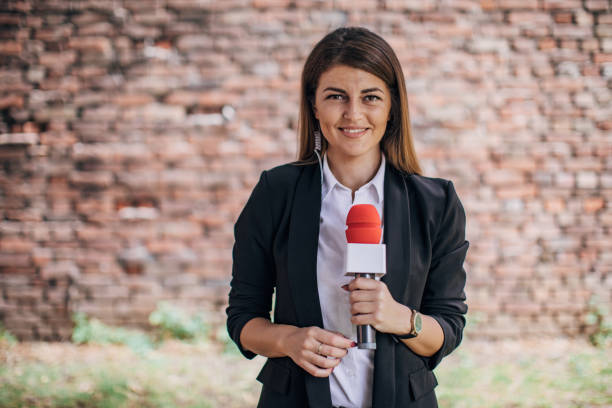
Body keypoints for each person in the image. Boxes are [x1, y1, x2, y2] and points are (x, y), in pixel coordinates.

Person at [226, 26, 469, 408]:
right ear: (314, 106)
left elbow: (449, 329)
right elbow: (243, 319)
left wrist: (402, 318)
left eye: (370, 97)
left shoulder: (436, 202)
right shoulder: (277, 192)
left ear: (392, 107)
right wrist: (288, 340)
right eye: (336, 96)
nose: (353, 113)